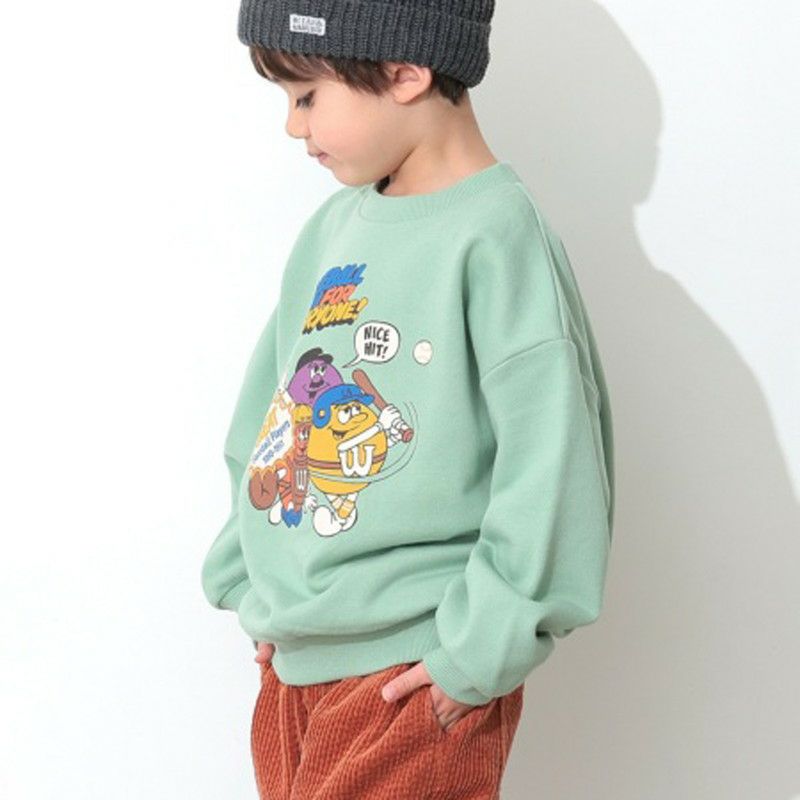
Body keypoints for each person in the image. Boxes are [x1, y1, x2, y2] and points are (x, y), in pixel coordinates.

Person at [200, 1, 615, 797]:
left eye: (307, 96)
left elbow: (553, 460)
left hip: (412, 673)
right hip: (294, 669)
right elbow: (270, 414)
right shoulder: (333, 230)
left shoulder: (496, 238)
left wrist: (480, 649)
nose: (293, 126)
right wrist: (254, 581)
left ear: (404, 71)